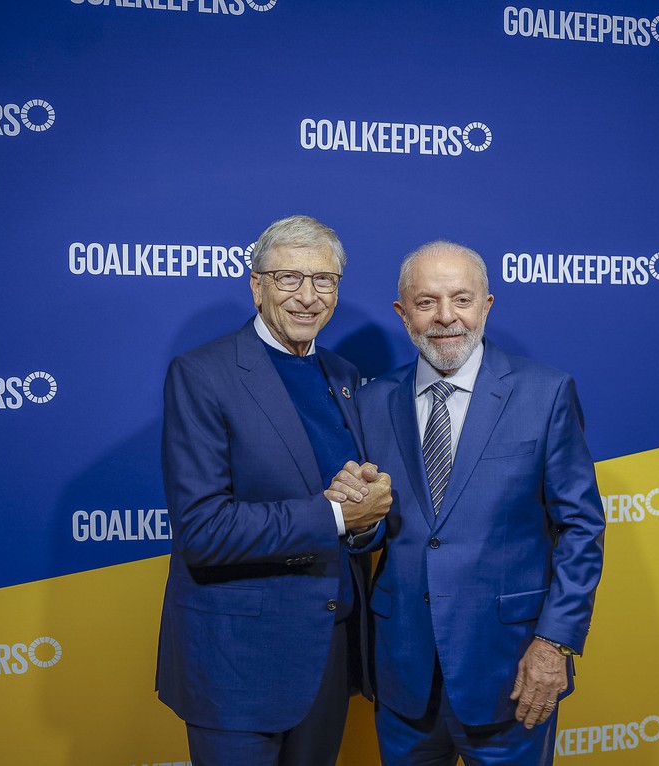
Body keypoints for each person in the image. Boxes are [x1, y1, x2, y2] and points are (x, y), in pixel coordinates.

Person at [330, 240, 605, 765]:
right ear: (402, 312)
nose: (445, 317)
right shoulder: (369, 403)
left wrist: (554, 643)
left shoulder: (545, 394)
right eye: (427, 301)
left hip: (512, 671)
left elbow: (580, 529)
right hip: (403, 671)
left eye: (461, 299)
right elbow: (371, 528)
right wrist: (359, 522)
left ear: (487, 305)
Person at [156, 214, 391, 766]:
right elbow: (203, 532)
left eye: (324, 281)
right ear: (256, 285)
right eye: (289, 278)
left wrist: (365, 519)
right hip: (238, 665)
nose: (308, 297)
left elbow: (356, 508)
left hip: (328, 652)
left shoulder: (345, 376)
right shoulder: (202, 374)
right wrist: (335, 519)